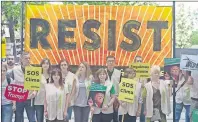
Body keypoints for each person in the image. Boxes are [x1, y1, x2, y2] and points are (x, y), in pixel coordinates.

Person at [11, 52, 36, 122]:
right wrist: (13, 103)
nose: (28, 60)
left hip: (30, 99)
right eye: (26, 58)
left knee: (32, 119)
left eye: (29, 58)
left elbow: (36, 85)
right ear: (21, 59)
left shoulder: (33, 70)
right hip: (19, 98)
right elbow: (13, 86)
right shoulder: (15, 70)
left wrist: (35, 92)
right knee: (18, 119)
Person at [106, 55, 121, 122]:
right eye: (109, 61)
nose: (111, 62)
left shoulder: (119, 73)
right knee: (106, 117)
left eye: (112, 61)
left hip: (116, 98)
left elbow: (121, 86)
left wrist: (119, 98)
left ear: (115, 62)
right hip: (105, 98)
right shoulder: (102, 72)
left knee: (115, 117)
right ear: (106, 62)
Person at [134, 55, 146, 122]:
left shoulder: (145, 72)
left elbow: (146, 85)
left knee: (142, 116)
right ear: (134, 62)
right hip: (133, 97)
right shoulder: (131, 72)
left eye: (140, 61)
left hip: (142, 96)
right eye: (137, 61)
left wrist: (142, 85)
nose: (139, 62)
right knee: (133, 115)